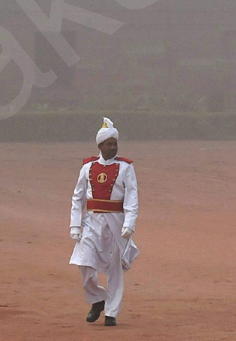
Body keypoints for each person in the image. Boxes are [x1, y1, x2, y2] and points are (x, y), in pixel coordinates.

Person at [70, 118, 139, 327]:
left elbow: (132, 198)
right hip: (92, 221)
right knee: (84, 263)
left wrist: (129, 223)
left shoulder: (126, 167)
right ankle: (98, 298)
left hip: (117, 224)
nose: (113, 147)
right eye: (108, 144)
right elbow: (78, 197)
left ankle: (111, 313)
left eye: (115, 143)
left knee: (115, 269)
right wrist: (75, 224)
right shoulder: (87, 167)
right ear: (99, 145)